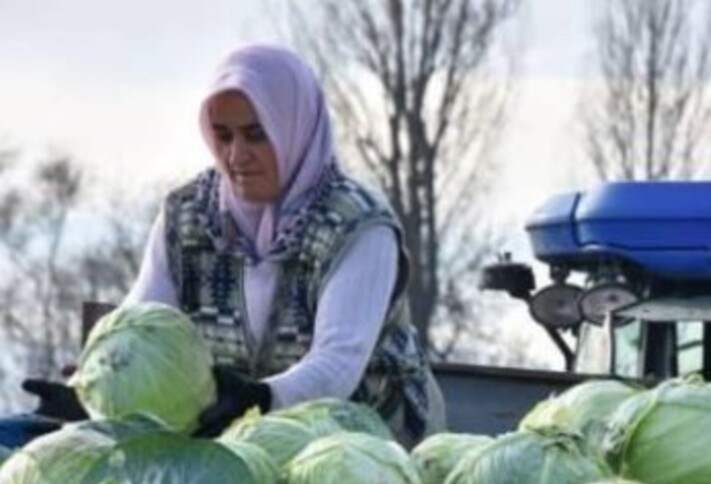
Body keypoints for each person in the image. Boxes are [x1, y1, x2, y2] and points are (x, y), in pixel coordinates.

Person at [18, 44, 445, 447]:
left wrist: (258, 398)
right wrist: (91, 389)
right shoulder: (187, 216)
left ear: (293, 129)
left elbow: (337, 366)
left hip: (366, 442)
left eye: (256, 134)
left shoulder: (358, 226)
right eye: (223, 136)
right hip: (235, 435)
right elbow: (140, 323)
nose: (236, 155)